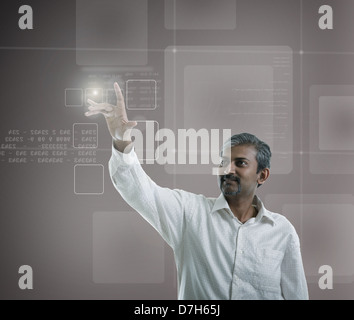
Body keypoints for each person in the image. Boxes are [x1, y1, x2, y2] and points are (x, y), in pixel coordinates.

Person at [85, 82, 309, 300]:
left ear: (262, 175)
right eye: (223, 162)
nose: (228, 169)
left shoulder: (282, 231)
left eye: (240, 163)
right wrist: (121, 139)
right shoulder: (189, 214)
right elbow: (139, 189)